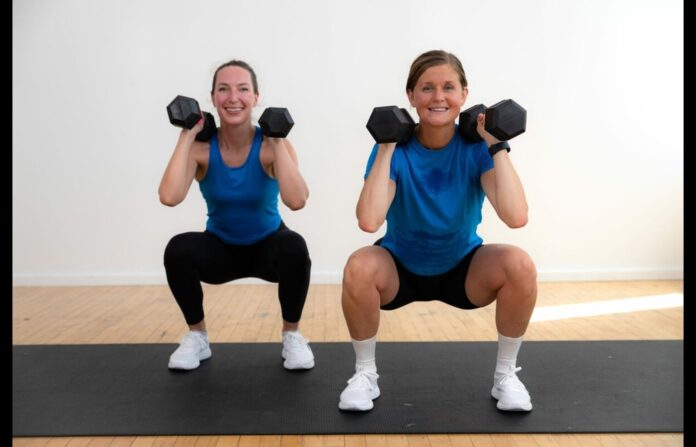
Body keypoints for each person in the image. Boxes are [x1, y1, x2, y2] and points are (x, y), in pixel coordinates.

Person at [338, 50, 537, 412]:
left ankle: (506, 376)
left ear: (464, 94)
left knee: (519, 264)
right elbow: (369, 221)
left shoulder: (478, 149)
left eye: (448, 87)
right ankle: (365, 375)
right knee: (358, 265)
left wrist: (497, 144)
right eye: (427, 88)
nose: (438, 97)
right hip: (400, 268)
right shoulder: (394, 151)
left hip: (463, 269)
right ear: (411, 97)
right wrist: (385, 148)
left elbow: (516, 216)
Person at [159, 60, 314, 371]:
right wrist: (187, 135)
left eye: (243, 89)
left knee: (295, 247)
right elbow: (169, 196)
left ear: (256, 98)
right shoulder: (201, 150)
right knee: (177, 249)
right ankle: (197, 338)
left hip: (268, 246)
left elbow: (297, 201)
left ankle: (292, 336)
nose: (233, 98)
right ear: (213, 98)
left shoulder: (272, 147)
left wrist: (277, 141)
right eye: (223, 89)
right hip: (220, 248)